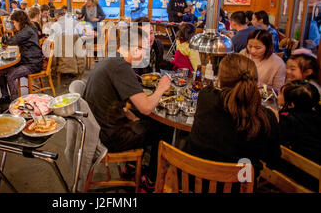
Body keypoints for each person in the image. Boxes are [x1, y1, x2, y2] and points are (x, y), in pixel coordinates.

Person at [83, 26, 172, 192]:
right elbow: (145, 108)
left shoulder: (112, 60)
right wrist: (161, 88)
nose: (146, 54)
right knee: (163, 130)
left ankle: (131, 168)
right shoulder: (121, 68)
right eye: (145, 50)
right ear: (136, 48)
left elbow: (120, 104)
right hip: (108, 137)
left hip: (98, 128)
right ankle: (150, 181)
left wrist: (134, 118)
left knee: (143, 121)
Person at [185, 53, 281, 176]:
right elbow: (273, 160)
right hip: (238, 184)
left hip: (191, 178)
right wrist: (274, 123)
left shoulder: (206, 96)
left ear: (220, 77)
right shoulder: (265, 117)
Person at [0, 10, 43, 101]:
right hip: (28, 60)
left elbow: (13, 40)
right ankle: (5, 96)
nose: (14, 25)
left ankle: (15, 101)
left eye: (14, 22)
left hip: (32, 64)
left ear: (19, 21)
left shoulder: (27, 30)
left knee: (11, 75)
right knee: (1, 71)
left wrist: (2, 39)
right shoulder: (29, 28)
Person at [277, 80, 321, 164]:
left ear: (291, 104)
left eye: (280, 93)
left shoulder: (287, 119)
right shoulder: (315, 115)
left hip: (298, 165)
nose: (278, 95)